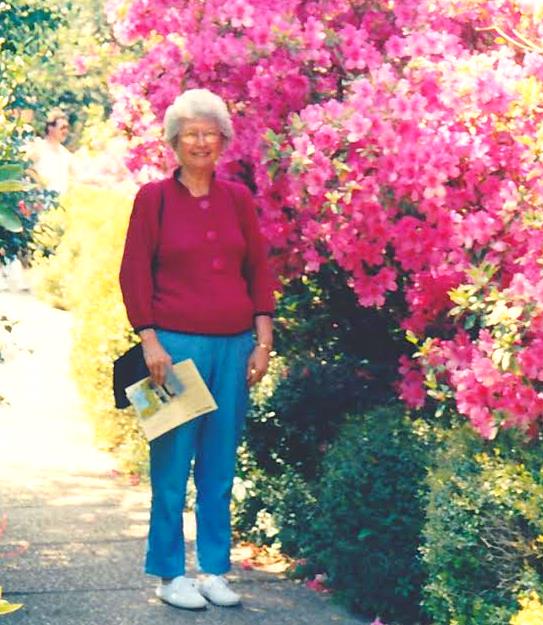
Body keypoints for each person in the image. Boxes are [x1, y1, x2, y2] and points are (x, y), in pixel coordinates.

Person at [119, 88, 277, 610]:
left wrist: (263, 339)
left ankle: (213, 570)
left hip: (233, 348)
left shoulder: (238, 199)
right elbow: (134, 273)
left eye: (210, 133)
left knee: (219, 465)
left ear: (223, 140)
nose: (201, 142)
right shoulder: (154, 199)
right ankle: (169, 574)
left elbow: (257, 269)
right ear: (175, 141)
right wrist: (149, 340)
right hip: (174, 351)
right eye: (191, 133)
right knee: (171, 468)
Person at [26, 108, 74, 195]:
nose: (65, 131)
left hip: (59, 200)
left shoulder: (65, 154)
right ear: (50, 128)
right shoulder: (38, 146)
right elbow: (26, 169)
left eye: (67, 128)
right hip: (39, 199)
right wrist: (38, 184)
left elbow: (73, 178)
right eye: (62, 128)